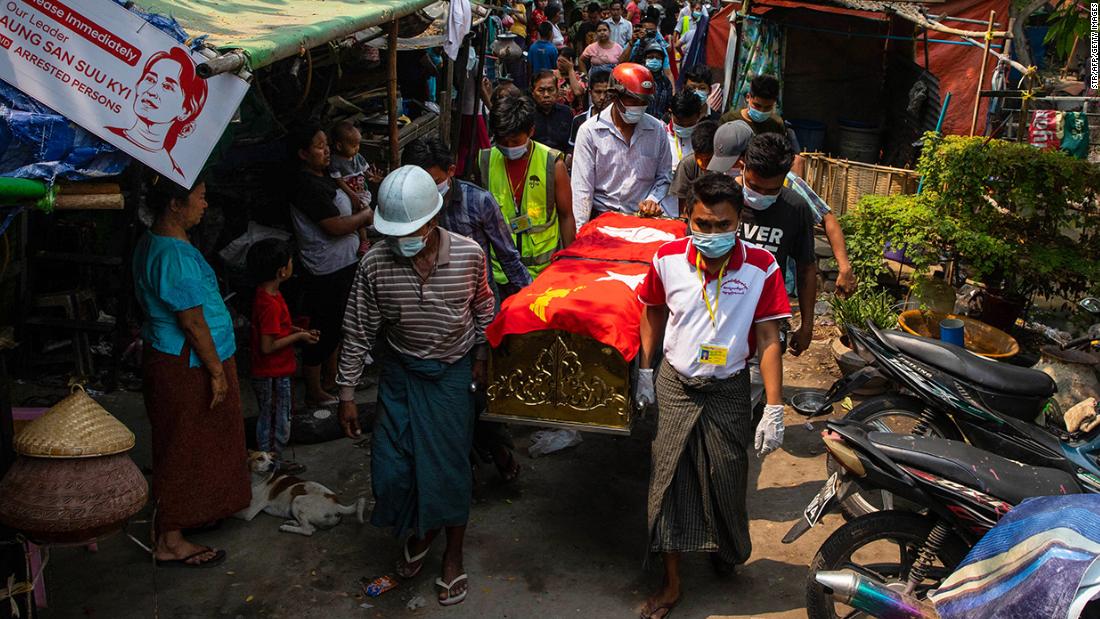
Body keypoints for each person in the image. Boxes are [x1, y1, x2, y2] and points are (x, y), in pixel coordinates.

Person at [337, 165, 495, 608]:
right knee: (391, 471)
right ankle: (421, 529)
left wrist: (482, 358)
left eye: (412, 230)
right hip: (401, 372)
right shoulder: (374, 264)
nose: (402, 240)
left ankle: (453, 556)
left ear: (433, 221)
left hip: (451, 372)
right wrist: (347, 393)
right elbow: (357, 331)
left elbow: (484, 309)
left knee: (447, 468)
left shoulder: (468, 255)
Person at [635, 172, 788, 619]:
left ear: (739, 220)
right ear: (687, 217)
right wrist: (646, 372)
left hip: (728, 389)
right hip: (677, 384)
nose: (713, 233)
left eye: (723, 225)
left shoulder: (762, 267)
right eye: (703, 224)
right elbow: (652, 311)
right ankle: (672, 582)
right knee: (668, 479)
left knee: (728, 472)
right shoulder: (666, 260)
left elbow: (768, 337)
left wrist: (774, 407)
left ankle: (725, 551)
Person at [133, 176, 250, 568]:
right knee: (184, 446)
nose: (204, 205)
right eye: (199, 198)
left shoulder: (158, 243)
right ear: (174, 205)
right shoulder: (172, 255)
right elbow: (192, 321)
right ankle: (170, 538)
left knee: (194, 441)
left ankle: (185, 517)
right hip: (187, 361)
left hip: (181, 357)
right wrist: (216, 371)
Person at [709, 121, 856, 297]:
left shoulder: (788, 183)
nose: (761, 193)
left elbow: (827, 218)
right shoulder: (722, 185)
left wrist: (844, 266)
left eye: (771, 190)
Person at [288, 123, 374, 406]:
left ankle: (331, 376)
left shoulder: (326, 175)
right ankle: (314, 390)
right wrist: (364, 218)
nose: (326, 151)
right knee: (323, 328)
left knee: (337, 325)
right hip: (325, 267)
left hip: (343, 262)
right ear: (302, 153)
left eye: (326, 144)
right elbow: (334, 227)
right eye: (319, 146)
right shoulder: (306, 186)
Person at [403, 136, 533, 294]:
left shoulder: (479, 201)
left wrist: (531, 296)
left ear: (450, 170)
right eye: (419, 185)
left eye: (433, 183)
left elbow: (508, 256)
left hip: (477, 295)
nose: (426, 191)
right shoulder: (404, 206)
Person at [478, 95, 576, 285]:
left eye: (515, 141)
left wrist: (571, 265)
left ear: (531, 131)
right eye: (502, 141)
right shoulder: (485, 161)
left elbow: (566, 216)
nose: (508, 147)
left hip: (544, 274)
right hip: (501, 275)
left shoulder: (552, 163)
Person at [735, 133, 818, 356]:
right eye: (753, 186)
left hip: (767, 315)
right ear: (743, 165)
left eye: (771, 190)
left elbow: (806, 268)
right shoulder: (722, 198)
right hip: (722, 311)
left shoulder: (795, 208)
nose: (761, 195)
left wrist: (807, 326)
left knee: (759, 381)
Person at [247, 239, 318, 475]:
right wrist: (298, 338)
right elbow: (268, 346)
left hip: (276, 372)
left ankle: (273, 461)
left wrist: (299, 331)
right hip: (271, 373)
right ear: (282, 270)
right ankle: (270, 464)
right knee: (275, 422)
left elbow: (278, 329)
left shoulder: (269, 295)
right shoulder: (269, 303)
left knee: (276, 418)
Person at [571, 62, 673, 227]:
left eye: (643, 101)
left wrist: (652, 200)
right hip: (602, 220)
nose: (638, 107)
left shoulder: (657, 130)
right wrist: (580, 231)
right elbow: (582, 189)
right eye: (632, 100)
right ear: (614, 96)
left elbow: (664, 177)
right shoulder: (590, 132)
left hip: (643, 221)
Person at [107, 48, 208, 182]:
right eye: (150, 79)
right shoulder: (105, 139)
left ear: (185, 111)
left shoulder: (175, 174)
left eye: (167, 86)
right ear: (138, 85)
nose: (152, 91)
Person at [329, 120, 379, 257]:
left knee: (366, 211)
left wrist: (372, 177)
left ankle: (370, 229)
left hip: (361, 191)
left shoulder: (357, 157)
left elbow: (366, 171)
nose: (357, 148)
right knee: (359, 214)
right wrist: (351, 195)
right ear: (339, 146)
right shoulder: (335, 161)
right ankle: (364, 241)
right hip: (351, 194)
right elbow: (339, 181)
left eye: (358, 145)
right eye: (353, 145)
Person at [665, 118, 720, 215]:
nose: (702, 164)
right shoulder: (687, 165)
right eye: (698, 157)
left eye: (708, 159)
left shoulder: (728, 166)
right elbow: (683, 211)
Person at [620, 10, 676, 91]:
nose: (649, 33)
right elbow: (621, 63)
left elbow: (668, 72)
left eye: (652, 31)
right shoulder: (634, 44)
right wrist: (632, 42)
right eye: (647, 30)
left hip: (654, 85)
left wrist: (673, 92)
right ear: (641, 29)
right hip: (634, 83)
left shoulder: (660, 48)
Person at [567, 67, 613, 157]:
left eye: (606, 92)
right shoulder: (579, 121)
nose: (602, 97)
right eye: (598, 92)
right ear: (590, 93)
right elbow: (573, 151)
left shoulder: (619, 120)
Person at [720, 74, 785, 135]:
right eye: (757, 105)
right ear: (748, 97)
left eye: (768, 107)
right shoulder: (728, 120)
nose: (761, 111)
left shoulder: (776, 124)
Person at [531, 70, 575, 152]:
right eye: (541, 90)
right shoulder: (527, 114)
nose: (546, 95)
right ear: (533, 93)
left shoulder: (566, 113)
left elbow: (572, 142)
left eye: (550, 90)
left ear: (557, 91)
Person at [665, 89, 705, 167]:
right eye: (680, 124)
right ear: (671, 114)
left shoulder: (704, 138)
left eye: (690, 124)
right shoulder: (660, 135)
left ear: (699, 115)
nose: (685, 127)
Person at [642, 41, 673, 119]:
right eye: (651, 57)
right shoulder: (639, 79)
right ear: (645, 59)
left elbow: (669, 105)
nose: (654, 60)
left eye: (658, 58)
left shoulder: (666, 82)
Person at [556, 47, 588, 114]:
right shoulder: (551, 75)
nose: (560, 64)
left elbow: (577, 92)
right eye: (558, 61)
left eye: (563, 62)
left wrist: (570, 69)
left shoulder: (582, 76)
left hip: (575, 114)